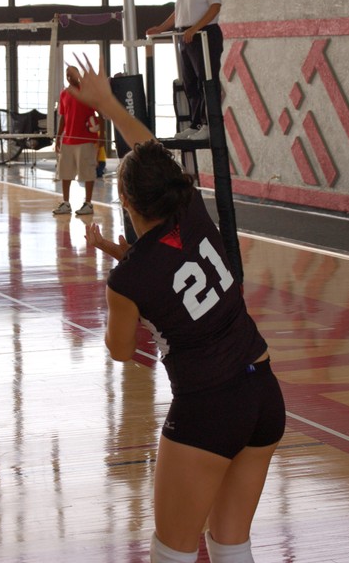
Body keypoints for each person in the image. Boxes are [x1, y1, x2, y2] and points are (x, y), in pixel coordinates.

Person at [68, 55, 286, 563]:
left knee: (173, 551)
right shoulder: (191, 208)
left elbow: (121, 351)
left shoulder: (128, 279)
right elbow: (150, 150)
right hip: (263, 391)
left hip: (209, 405)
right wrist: (106, 103)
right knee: (231, 543)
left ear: (124, 200)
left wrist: (118, 285)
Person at [146, 0, 224, 142]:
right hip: (185, 36)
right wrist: (161, 28)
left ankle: (209, 124)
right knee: (190, 83)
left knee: (206, 80)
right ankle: (195, 123)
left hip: (203, 34)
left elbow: (215, 8)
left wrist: (195, 29)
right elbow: (178, 13)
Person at [53, 65, 105, 216]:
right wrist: (58, 137)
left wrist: (101, 136)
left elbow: (100, 114)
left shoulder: (88, 92)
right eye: (67, 75)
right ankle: (66, 203)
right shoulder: (64, 94)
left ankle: (88, 204)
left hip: (86, 140)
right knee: (65, 173)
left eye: (72, 74)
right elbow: (63, 117)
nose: (69, 77)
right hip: (68, 140)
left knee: (88, 172)